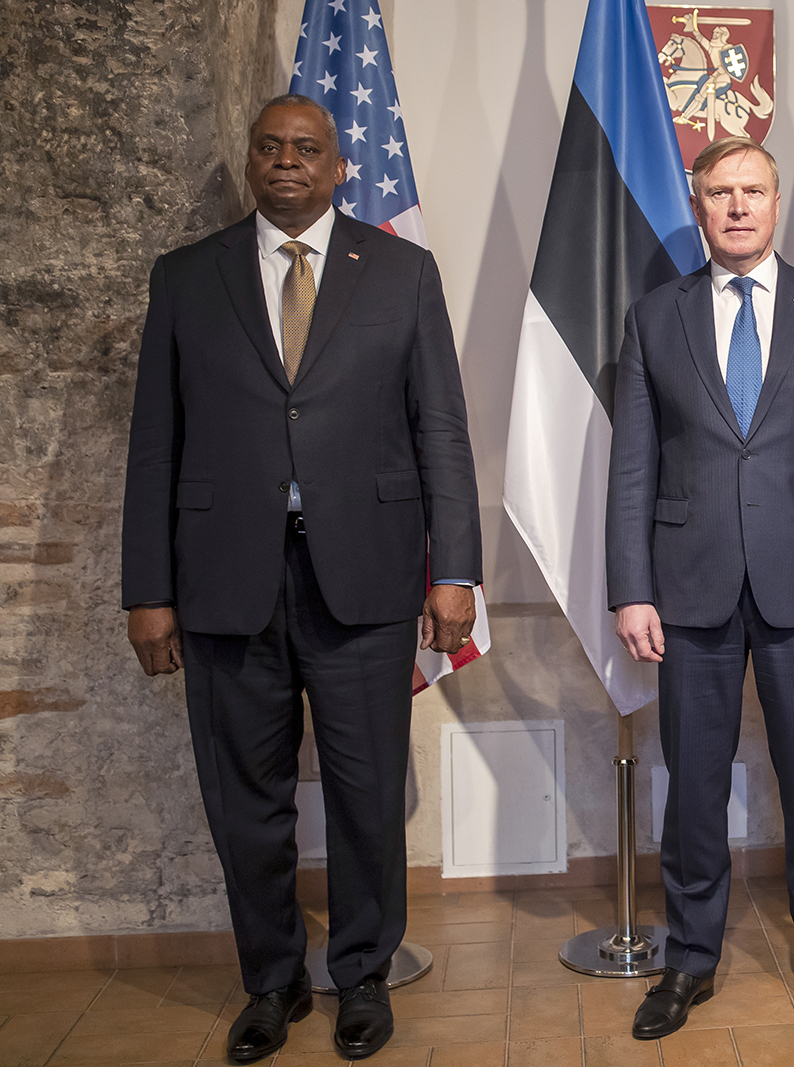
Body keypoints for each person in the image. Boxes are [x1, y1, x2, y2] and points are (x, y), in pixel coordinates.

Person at [121, 95, 482, 1062]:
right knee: (247, 796)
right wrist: (145, 589)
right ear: (250, 160)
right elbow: (154, 445)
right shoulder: (187, 278)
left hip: (365, 579)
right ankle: (271, 982)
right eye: (270, 147)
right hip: (225, 583)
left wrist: (458, 573)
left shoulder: (401, 272)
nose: (287, 162)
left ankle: (362, 974)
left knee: (367, 792)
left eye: (307, 149)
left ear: (339, 169)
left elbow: (439, 429)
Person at [606, 135, 794, 1042]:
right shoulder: (655, 317)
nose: (737, 206)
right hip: (685, 592)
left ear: (778, 203)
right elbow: (632, 470)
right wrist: (631, 588)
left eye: (754, 190)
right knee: (691, 786)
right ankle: (688, 961)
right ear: (699, 205)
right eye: (720, 191)